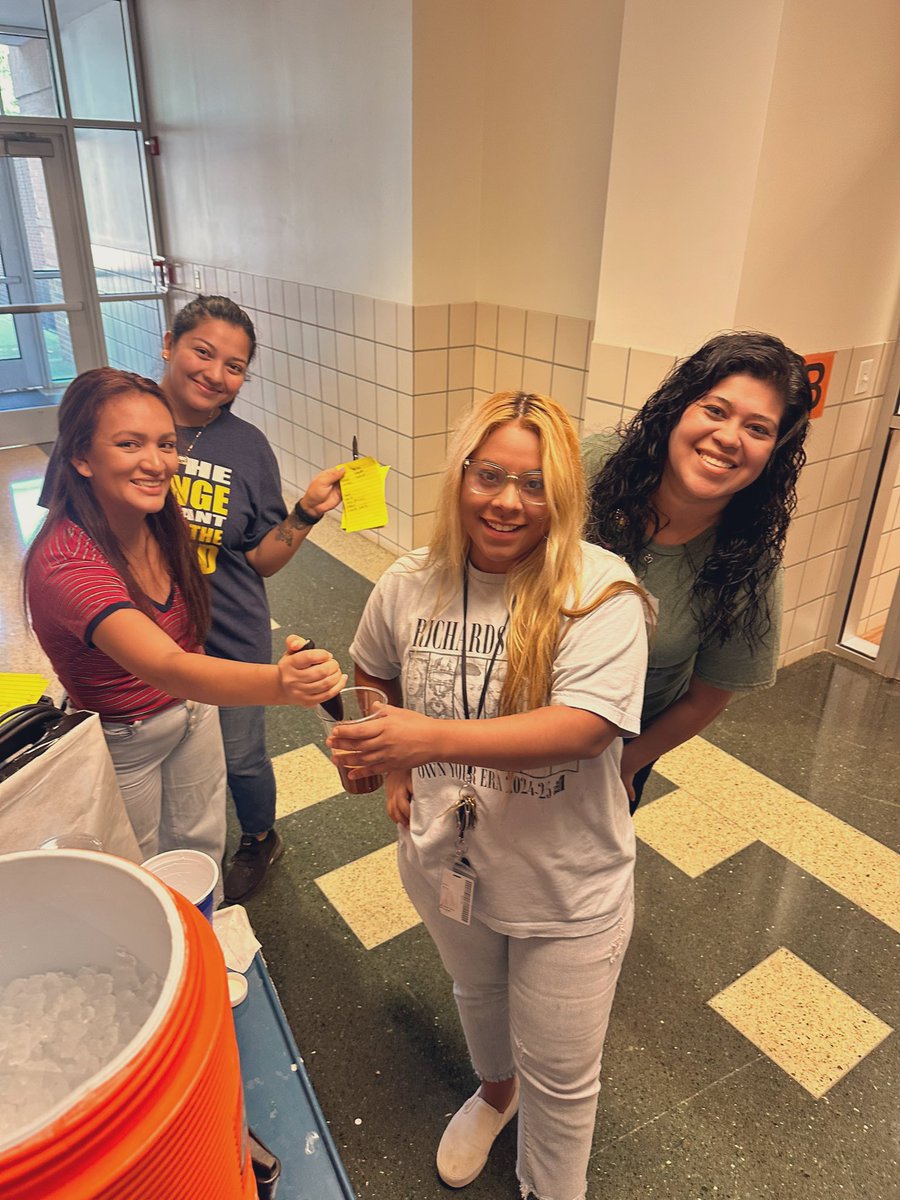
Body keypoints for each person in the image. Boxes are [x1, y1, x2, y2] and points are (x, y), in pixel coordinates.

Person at [329, 391, 649, 1199]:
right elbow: (373, 667)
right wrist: (391, 763)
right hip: (446, 855)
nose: (508, 501)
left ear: (564, 494)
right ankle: (494, 1094)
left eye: (535, 484)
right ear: (461, 477)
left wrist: (425, 741)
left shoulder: (600, 591)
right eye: (490, 475)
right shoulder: (410, 581)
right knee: (476, 994)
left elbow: (583, 727)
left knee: (564, 1074)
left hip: (564, 880)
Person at [24, 368, 345, 873]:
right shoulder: (67, 563)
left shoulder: (157, 517)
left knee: (201, 848)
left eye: (166, 444)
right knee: (142, 869)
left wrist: (304, 512)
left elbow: (225, 597)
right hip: (127, 735)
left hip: (194, 714)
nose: (156, 463)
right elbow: (166, 665)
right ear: (81, 456)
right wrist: (282, 684)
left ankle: (208, 932)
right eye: (129, 444)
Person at [159, 295, 346, 902]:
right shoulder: (126, 420)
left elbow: (263, 556)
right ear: (170, 343)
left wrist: (307, 512)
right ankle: (176, 855)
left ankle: (260, 837)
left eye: (234, 366)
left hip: (230, 632)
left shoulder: (246, 446)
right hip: (147, 637)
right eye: (203, 352)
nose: (216, 374)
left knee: (241, 758)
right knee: (165, 760)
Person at [584, 330, 814, 811]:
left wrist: (627, 763)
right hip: (506, 711)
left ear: (774, 452)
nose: (728, 438)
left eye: (758, 429)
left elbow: (707, 695)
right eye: (715, 410)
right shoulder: (592, 468)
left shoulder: (750, 562)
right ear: (678, 410)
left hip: (614, 750)